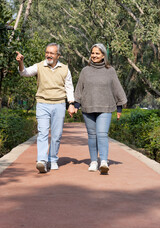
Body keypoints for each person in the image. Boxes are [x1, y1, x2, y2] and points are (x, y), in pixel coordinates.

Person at [16, 43, 75, 173]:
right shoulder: (39, 66)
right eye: (47, 52)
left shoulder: (65, 69)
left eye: (52, 53)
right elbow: (24, 72)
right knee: (42, 132)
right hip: (42, 104)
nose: (48, 55)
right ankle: (41, 160)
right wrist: (21, 62)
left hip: (59, 104)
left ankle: (53, 159)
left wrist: (71, 103)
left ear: (58, 55)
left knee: (56, 135)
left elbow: (69, 88)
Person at [74, 43, 127, 174]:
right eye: (93, 53)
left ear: (103, 55)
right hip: (88, 107)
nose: (94, 55)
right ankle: (93, 161)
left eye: (97, 53)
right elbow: (79, 89)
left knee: (102, 135)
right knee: (92, 136)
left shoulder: (110, 70)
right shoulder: (85, 71)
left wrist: (119, 107)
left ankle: (103, 161)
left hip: (105, 107)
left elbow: (117, 89)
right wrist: (76, 105)